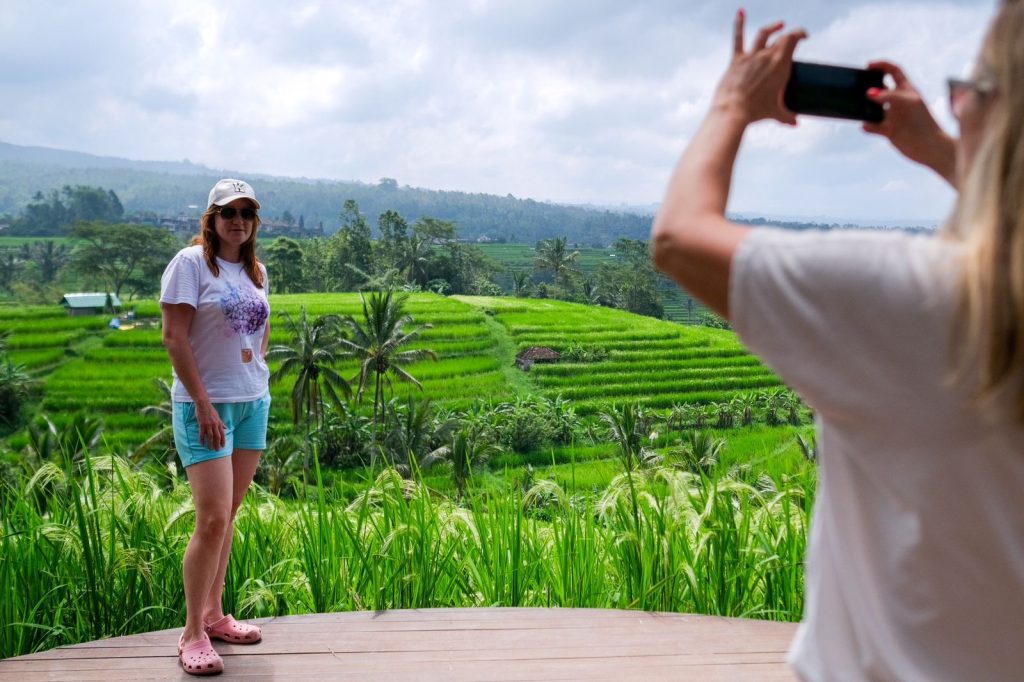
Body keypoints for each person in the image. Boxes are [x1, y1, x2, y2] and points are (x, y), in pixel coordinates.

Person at [651, 4, 1024, 680]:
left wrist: (732, 104)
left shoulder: (916, 301)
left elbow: (679, 238)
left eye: (968, 91)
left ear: (995, 114)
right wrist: (942, 149)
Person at [160, 178, 272, 675]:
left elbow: (259, 335)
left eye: (247, 213)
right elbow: (173, 337)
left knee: (228, 516)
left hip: (252, 404)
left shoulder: (257, 271)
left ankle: (215, 613)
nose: (238, 221)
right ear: (212, 217)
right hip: (205, 408)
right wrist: (204, 404)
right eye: (229, 212)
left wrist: (254, 379)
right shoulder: (190, 265)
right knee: (210, 519)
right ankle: (191, 634)